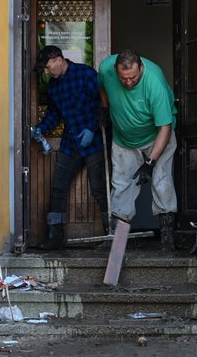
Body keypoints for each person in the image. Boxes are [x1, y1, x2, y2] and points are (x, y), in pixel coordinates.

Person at [31, 45, 109, 250]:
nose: (46, 72)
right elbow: (54, 116)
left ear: (58, 59)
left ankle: (111, 235)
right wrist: (39, 130)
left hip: (94, 141)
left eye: (47, 67)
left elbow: (101, 102)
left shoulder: (85, 73)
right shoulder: (54, 88)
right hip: (69, 142)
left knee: (101, 188)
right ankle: (55, 236)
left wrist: (92, 128)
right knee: (58, 187)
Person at [98, 49, 178, 251]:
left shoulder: (154, 83)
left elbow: (165, 128)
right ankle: (117, 239)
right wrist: (105, 109)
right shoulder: (106, 69)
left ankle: (167, 238)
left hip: (157, 137)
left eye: (132, 77)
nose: (128, 83)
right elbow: (103, 87)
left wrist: (150, 163)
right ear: (115, 71)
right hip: (124, 138)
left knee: (161, 181)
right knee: (122, 183)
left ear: (141, 68)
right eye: (123, 78)